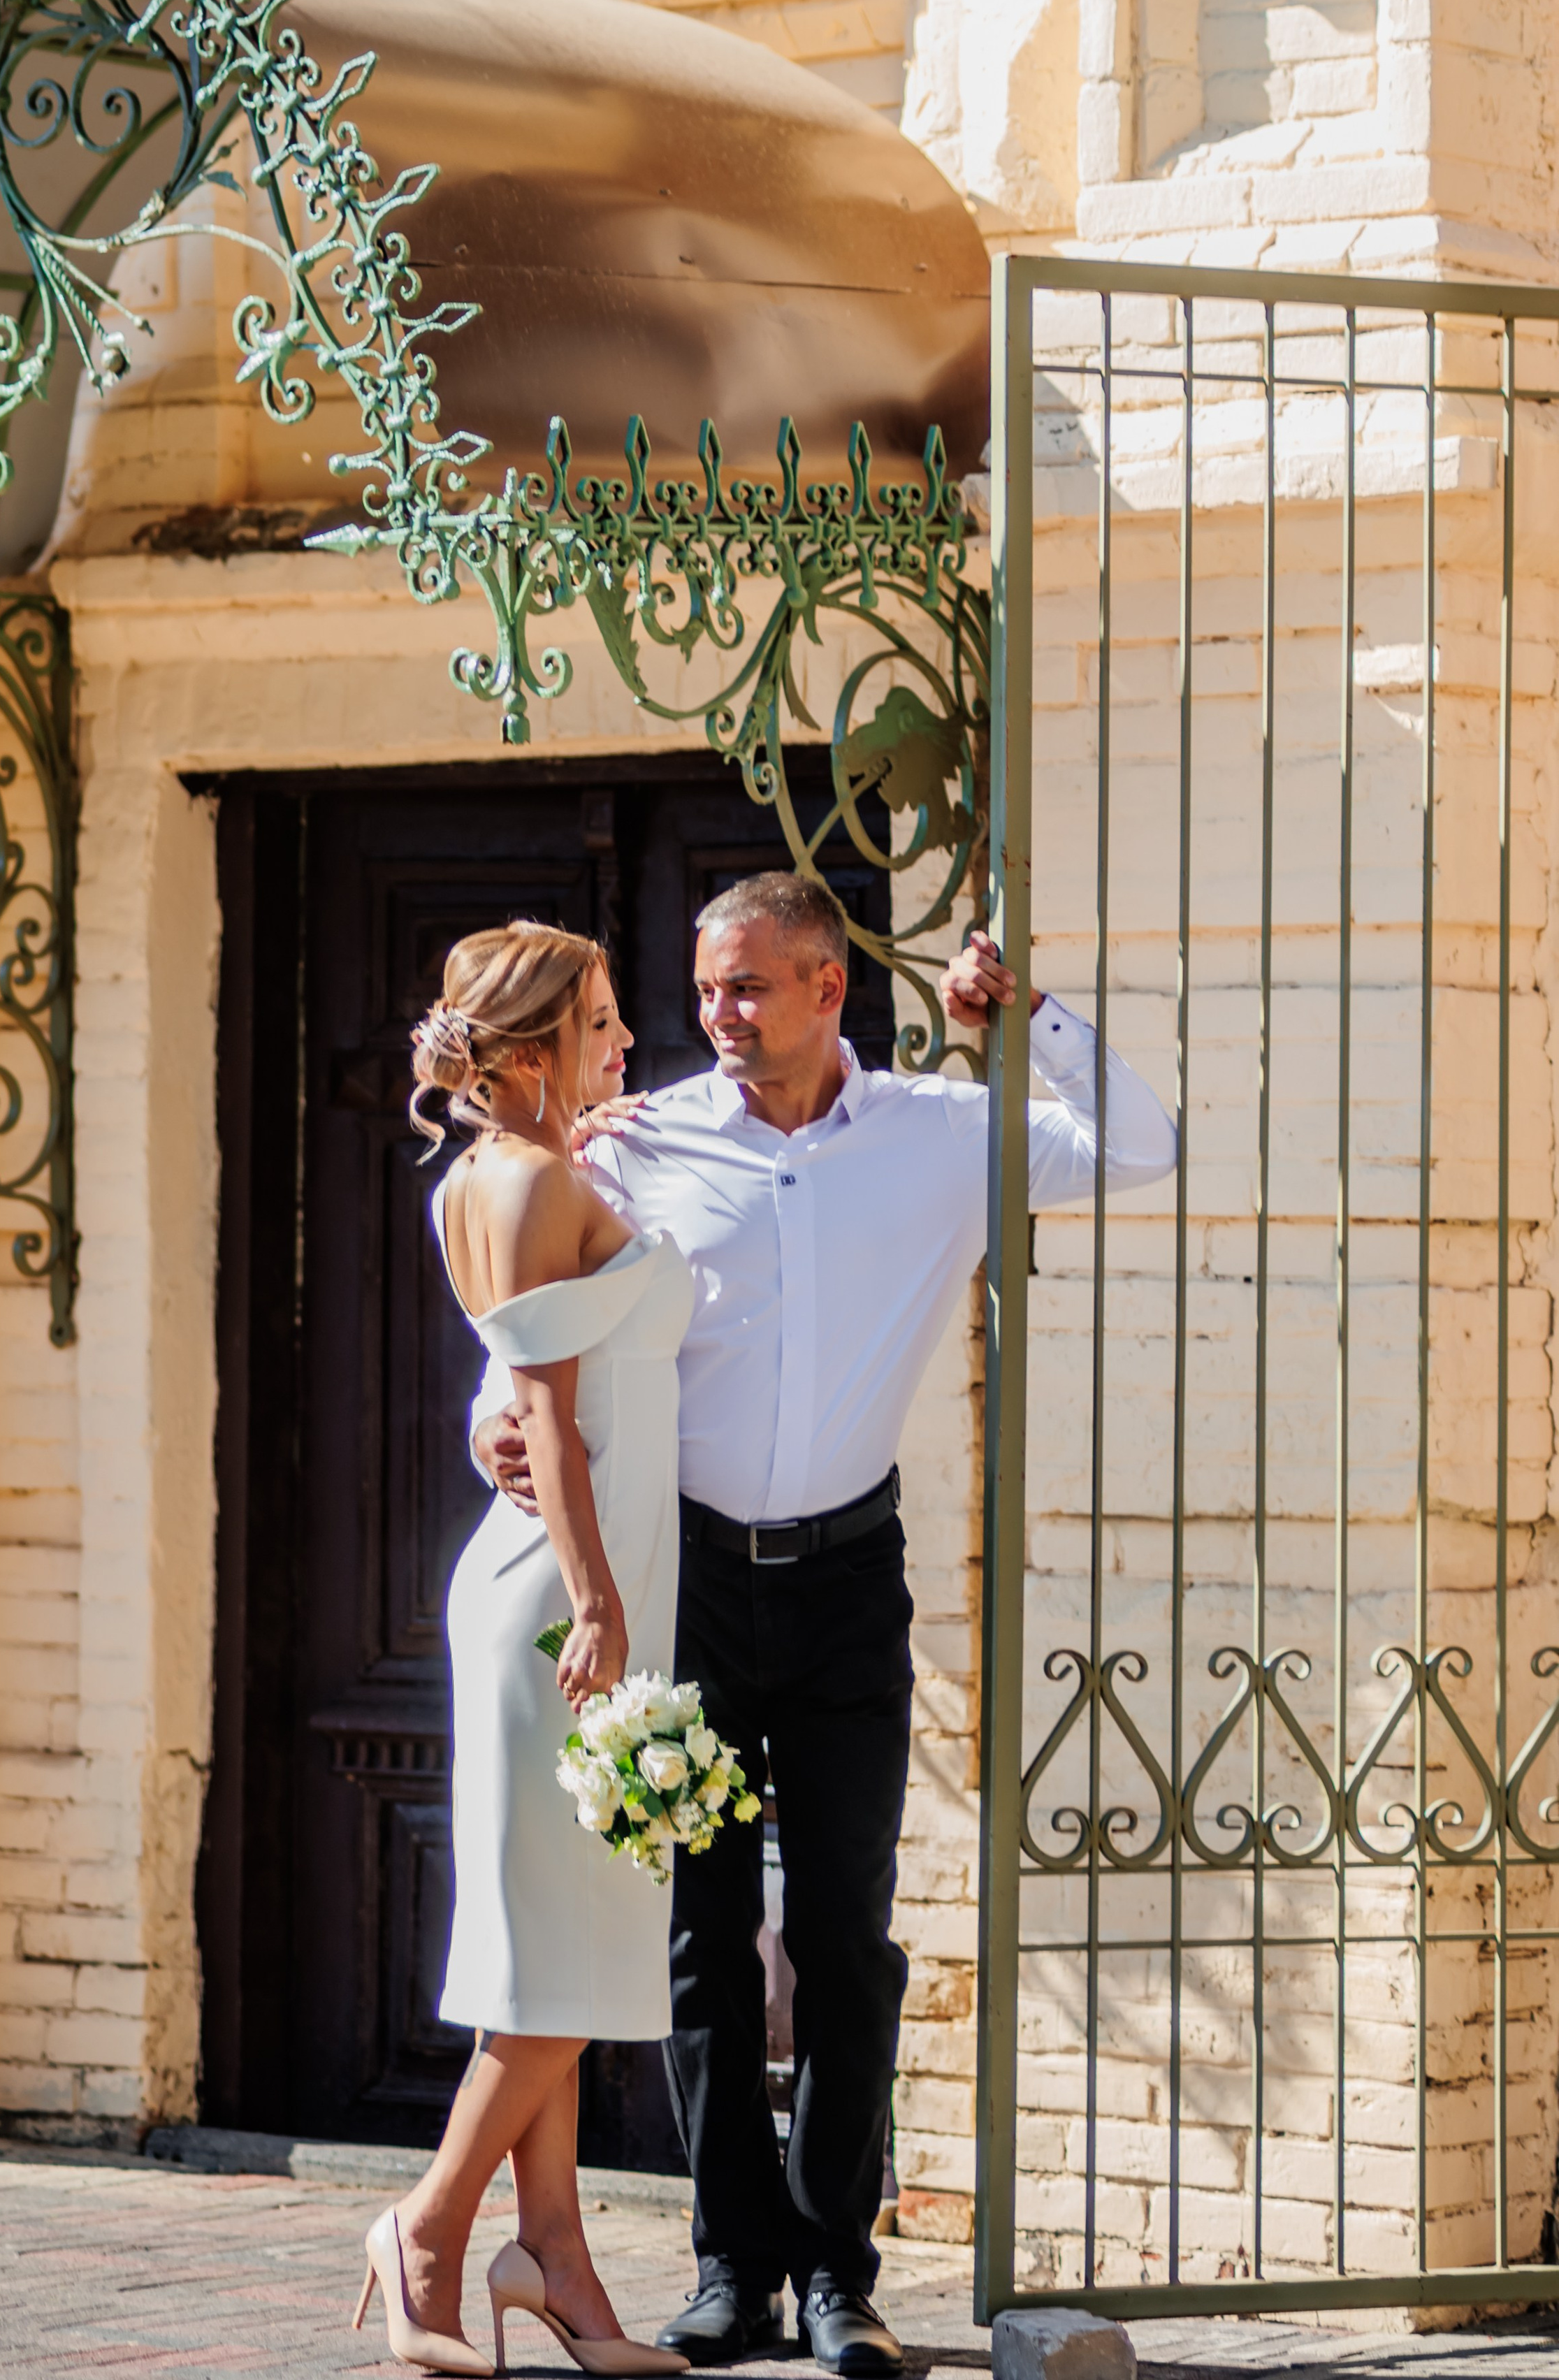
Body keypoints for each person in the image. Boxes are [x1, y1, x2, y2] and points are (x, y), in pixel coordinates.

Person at [472, 874, 1177, 2376]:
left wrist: (1028, 1016)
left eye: (746, 989)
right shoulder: (637, 1143)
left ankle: (840, 2279)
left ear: (824, 990)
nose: (716, 1018)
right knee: (702, 1935)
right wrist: (493, 1426)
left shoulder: (936, 1133)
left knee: (848, 1943)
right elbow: (538, 1318)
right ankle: (732, 2268)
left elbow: (1141, 1143)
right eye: (703, 990)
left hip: (854, 1579)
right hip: (689, 1582)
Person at [355, 922, 694, 2380]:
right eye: (602, 1022)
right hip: (563, 1591)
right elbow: (546, 1412)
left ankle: (548, 2250)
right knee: (564, 1951)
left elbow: (520, 1387)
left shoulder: (503, 1171)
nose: (625, 1044)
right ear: (536, 1042)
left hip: (559, 1570)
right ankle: (430, 2232)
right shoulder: (538, 1178)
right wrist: (599, 1595)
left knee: (560, 1944)